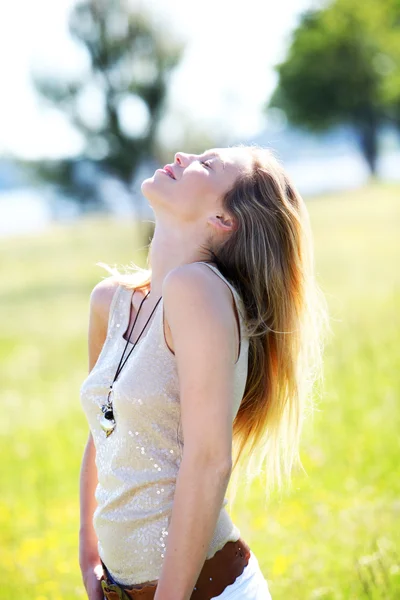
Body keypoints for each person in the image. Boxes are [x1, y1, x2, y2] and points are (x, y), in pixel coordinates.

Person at [79, 144, 329, 600]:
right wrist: (88, 550)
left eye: (207, 164)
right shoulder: (109, 302)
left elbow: (209, 460)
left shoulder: (198, 289)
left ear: (223, 221)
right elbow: (103, 428)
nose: (181, 155)